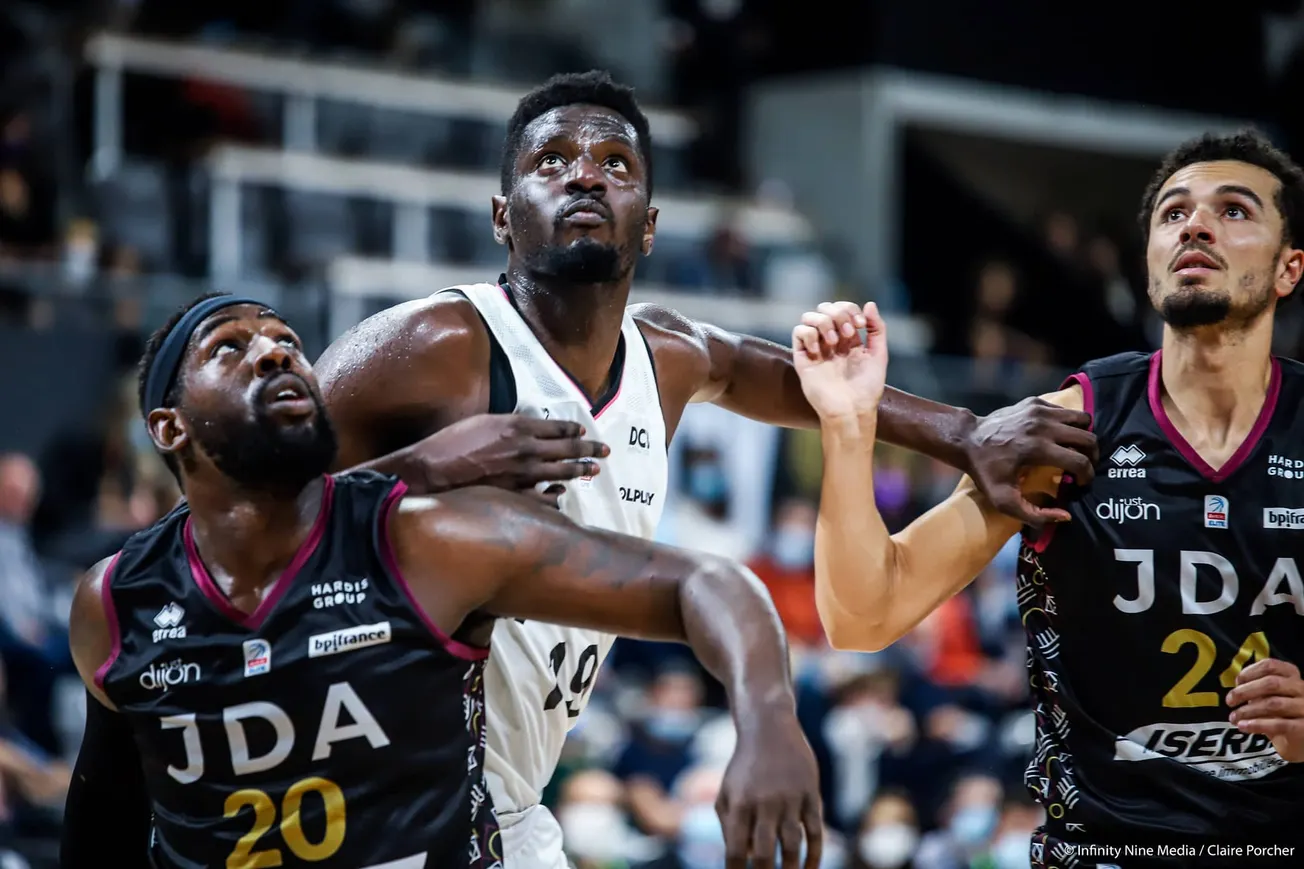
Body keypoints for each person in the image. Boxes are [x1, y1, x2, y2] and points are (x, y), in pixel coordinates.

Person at [312, 69, 1098, 869]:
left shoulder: (669, 356)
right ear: (500, 216)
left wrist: (967, 435)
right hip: (363, 800)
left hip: (507, 807)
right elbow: (235, 512)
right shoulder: (430, 344)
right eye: (551, 161)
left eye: (617, 163)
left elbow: (795, 381)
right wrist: (415, 468)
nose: (586, 172)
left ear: (648, 226)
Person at [59, 294, 824, 869]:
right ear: (168, 427)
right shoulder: (114, 601)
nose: (274, 352)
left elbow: (708, 583)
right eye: (230, 348)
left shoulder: (426, 539)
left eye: (288, 342)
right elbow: (102, 822)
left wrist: (766, 720)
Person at [795, 129, 1304, 866]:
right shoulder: (1067, 427)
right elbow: (863, 614)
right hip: (1104, 850)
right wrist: (849, 430)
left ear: (1290, 267)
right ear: (1152, 261)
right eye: (1173, 214)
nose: (1194, 225)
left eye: (1234, 210)